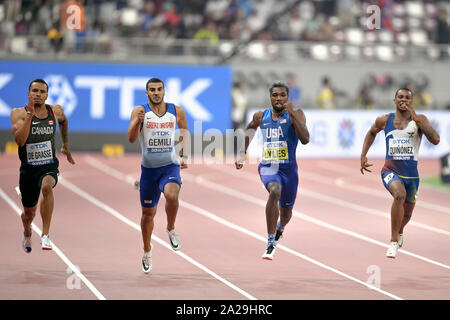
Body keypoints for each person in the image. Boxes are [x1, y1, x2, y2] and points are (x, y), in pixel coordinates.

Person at [360, 88, 440, 258]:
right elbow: (371, 133)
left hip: (412, 176)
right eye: (400, 97)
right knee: (398, 195)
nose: (404, 100)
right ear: (394, 100)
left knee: (408, 213)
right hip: (390, 170)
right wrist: (363, 154)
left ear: (412, 101)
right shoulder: (384, 120)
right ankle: (393, 241)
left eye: (407, 98)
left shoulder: (419, 120)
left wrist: (416, 118)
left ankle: (400, 230)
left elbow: (435, 140)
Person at [235, 81, 310, 260]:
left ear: (287, 97)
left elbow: (305, 139)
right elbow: (250, 129)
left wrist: (292, 115)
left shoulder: (296, 114)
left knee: (286, 214)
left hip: (289, 171)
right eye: (275, 95)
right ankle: (270, 243)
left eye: (282, 95)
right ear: (270, 97)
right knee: (274, 191)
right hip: (269, 167)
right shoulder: (261, 116)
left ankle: (280, 228)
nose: (278, 99)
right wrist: (241, 152)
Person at [128, 77, 189, 273]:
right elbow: (131, 139)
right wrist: (137, 122)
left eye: (159, 89)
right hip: (148, 171)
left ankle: (171, 228)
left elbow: (184, 131)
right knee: (148, 215)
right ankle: (147, 250)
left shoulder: (176, 110)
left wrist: (184, 154)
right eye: (152, 90)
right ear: (147, 93)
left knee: (172, 195)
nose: (156, 92)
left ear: (164, 91)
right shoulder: (140, 111)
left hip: (170, 166)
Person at [10, 79, 75, 253]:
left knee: (47, 188)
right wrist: (30, 115)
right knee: (28, 214)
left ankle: (45, 235)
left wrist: (66, 144)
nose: (38, 94)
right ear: (28, 94)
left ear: (46, 95)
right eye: (34, 91)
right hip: (28, 170)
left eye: (41, 92)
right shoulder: (18, 114)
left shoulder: (55, 111)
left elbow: (64, 121)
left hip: (48, 165)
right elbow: (20, 141)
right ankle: (27, 230)